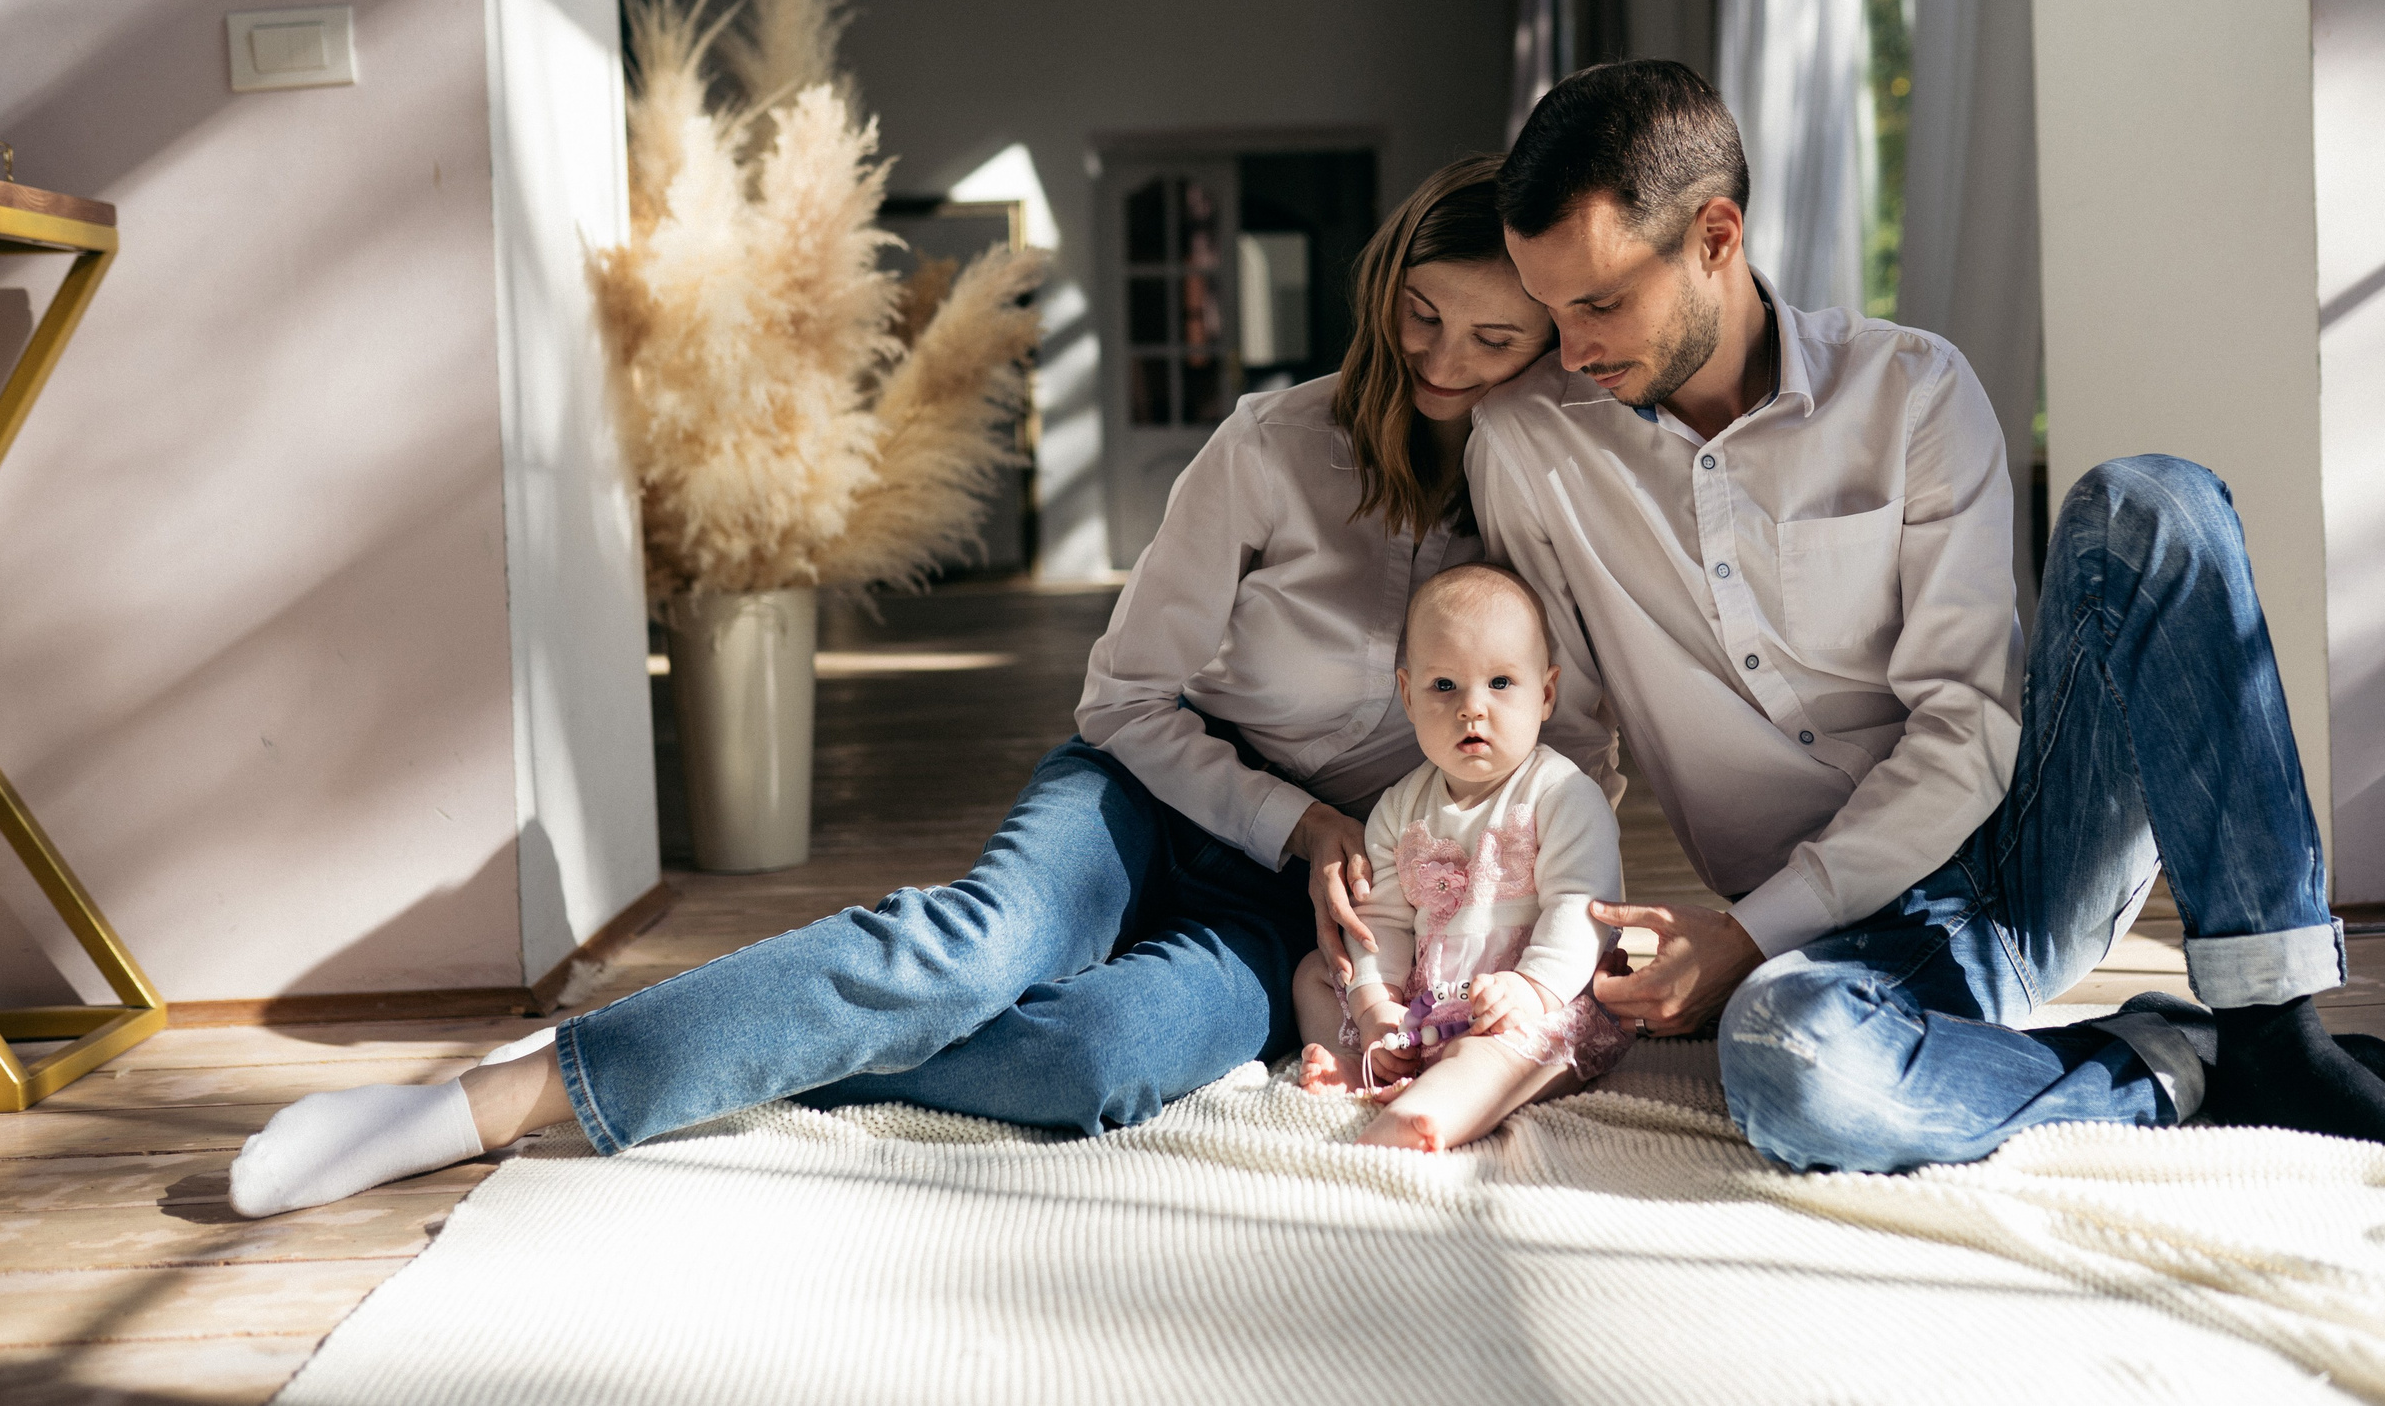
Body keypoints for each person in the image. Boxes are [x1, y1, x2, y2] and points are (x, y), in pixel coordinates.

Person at [226, 154, 1558, 1218]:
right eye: (1421, 315)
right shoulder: (1270, 447)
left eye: (1495, 339)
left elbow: (1553, 746)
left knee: (1089, 1061)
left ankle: (729, 1036)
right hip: (1156, 788)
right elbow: (1122, 701)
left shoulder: (1539, 495)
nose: (1443, 362)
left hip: (1300, 911)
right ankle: (490, 1096)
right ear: (1384, 284)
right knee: (973, 951)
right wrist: (1296, 817)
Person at [1468, 59, 2385, 1183]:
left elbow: (1965, 733)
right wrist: (1546, 964)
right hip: (1838, 938)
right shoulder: (1531, 447)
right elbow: (1566, 748)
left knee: (2151, 504)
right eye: (1549, 310)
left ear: (1715, 236)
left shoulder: (1911, 391)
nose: (1568, 349)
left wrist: (1745, 934)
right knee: (1788, 1060)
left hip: (2025, 854)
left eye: (1599, 302)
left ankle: (2276, 1029)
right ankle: (2177, 1062)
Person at [1291, 562, 1629, 1152]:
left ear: (1545, 694)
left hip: (1531, 1002)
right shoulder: (1400, 807)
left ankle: (1434, 1112)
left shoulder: (1561, 795)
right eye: (1444, 686)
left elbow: (1582, 909)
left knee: (1495, 1057)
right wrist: (1377, 1002)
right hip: (1426, 998)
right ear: (1408, 695)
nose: (1472, 708)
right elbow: (1386, 919)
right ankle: (1364, 1065)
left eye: (1500, 683)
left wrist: (1531, 989)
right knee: (1317, 977)